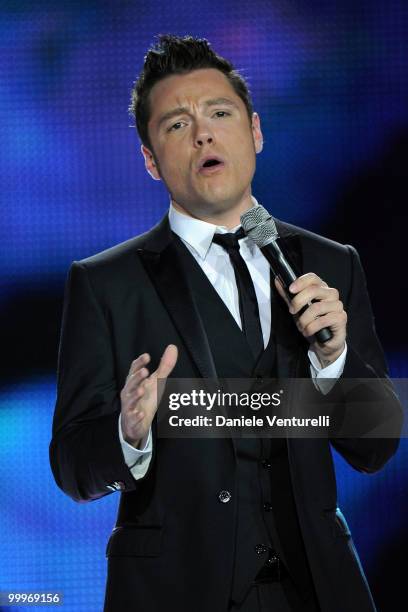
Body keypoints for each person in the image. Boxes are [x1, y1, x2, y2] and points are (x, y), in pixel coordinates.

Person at [50, 35, 402, 612]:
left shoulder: (331, 263)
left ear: (255, 132)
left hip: (316, 592)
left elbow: (377, 447)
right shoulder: (106, 283)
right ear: (149, 159)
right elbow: (71, 468)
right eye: (176, 125)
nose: (203, 133)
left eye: (219, 114)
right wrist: (128, 433)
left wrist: (335, 362)